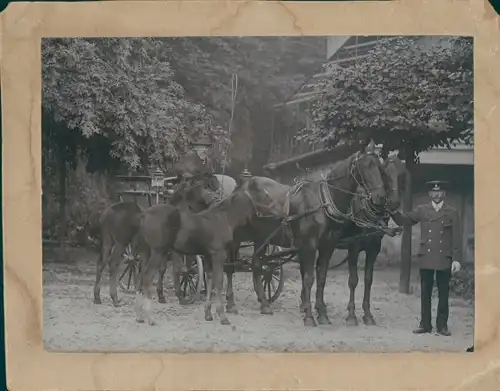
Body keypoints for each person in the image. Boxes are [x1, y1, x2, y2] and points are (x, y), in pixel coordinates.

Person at [390, 180, 462, 336]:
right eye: (434, 191)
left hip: (444, 257)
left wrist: (456, 259)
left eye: (439, 191)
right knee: (425, 293)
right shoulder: (422, 210)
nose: (436, 194)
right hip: (427, 257)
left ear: (444, 194)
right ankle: (425, 324)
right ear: (430, 194)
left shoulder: (452, 212)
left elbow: (457, 236)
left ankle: (442, 325)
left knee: (443, 293)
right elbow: (404, 220)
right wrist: (392, 210)